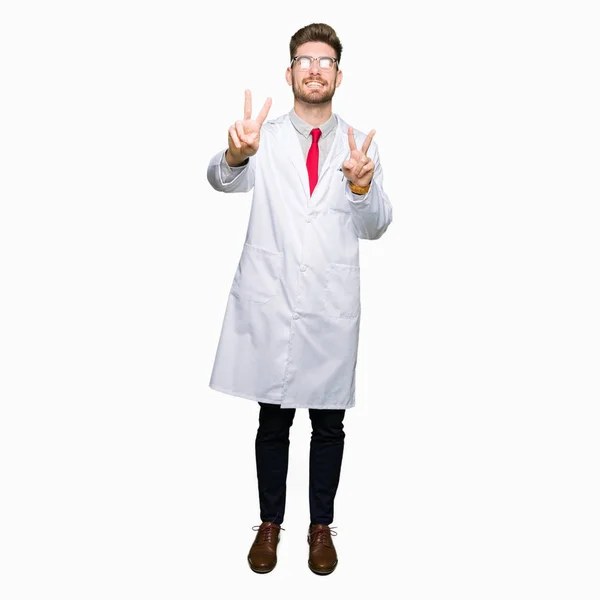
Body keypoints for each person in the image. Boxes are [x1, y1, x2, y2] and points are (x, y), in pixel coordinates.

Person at [206, 23, 392, 575]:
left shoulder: (361, 144)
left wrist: (361, 186)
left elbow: (378, 224)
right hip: (273, 299)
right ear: (289, 72)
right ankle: (269, 524)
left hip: (330, 307)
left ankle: (320, 527)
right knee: (273, 420)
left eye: (326, 60)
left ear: (338, 74)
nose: (315, 68)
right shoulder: (262, 135)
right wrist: (236, 153)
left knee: (329, 426)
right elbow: (220, 179)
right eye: (305, 59)